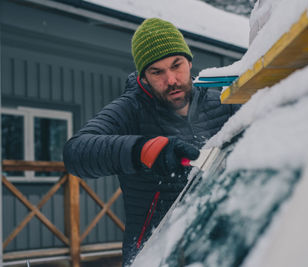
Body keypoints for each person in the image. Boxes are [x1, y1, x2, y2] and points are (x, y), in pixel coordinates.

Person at [63, 17, 240, 266]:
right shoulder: (130, 109)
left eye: (176, 65)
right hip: (155, 252)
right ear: (144, 77)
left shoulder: (223, 102)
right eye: (157, 72)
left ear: (190, 62)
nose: (171, 80)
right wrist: (144, 150)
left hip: (218, 243)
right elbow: (76, 153)